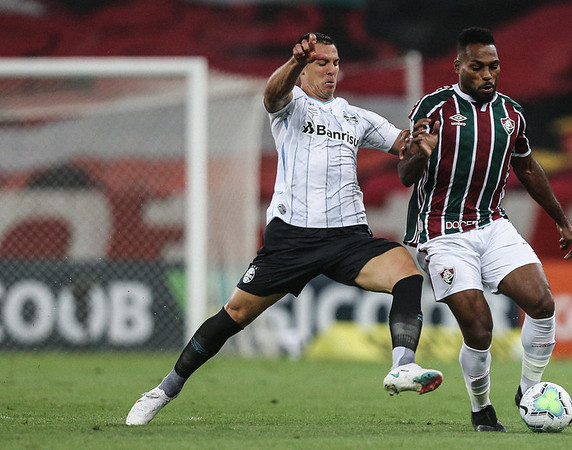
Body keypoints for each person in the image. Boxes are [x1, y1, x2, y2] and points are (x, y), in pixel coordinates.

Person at [125, 32, 443, 426]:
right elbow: (271, 96)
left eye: (336, 62)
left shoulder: (355, 117)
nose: (331, 70)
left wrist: (424, 139)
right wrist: (292, 64)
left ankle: (402, 366)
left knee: (407, 273)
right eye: (321, 62)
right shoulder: (291, 106)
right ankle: (164, 390)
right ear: (305, 66)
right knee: (234, 314)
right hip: (292, 238)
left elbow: (404, 145)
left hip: (348, 237)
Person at [398, 27, 572, 432]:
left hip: (491, 223)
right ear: (458, 67)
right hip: (441, 231)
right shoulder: (433, 108)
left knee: (541, 302)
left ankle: (529, 392)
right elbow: (405, 175)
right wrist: (422, 153)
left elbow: (526, 167)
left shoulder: (511, 114)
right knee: (480, 325)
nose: (487, 75)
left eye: (494, 67)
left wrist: (561, 219)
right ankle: (481, 408)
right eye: (477, 67)